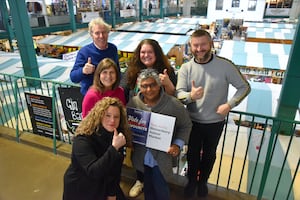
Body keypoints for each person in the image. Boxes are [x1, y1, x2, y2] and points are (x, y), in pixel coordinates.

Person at [176, 29, 251, 198]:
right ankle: (191, 182)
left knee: (209, 154)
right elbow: (179, 93)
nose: (199, 48)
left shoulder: (225, 65)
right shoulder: (186, 68)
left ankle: (202, 182)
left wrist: (229, 105)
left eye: (203, 44)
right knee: (192, 154)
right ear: (190, 46)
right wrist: (190, 96)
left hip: (215, 122)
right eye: (196, 45)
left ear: (210, 44)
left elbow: (245, 87)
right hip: (193, 121)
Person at [120, 39, 177, 198]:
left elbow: (174, 97)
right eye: (143, 52)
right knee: (138, 152)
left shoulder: (167, 72)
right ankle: (140, 180)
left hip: (160, 124)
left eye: (149, 52)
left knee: (158, 157)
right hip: (138, 121)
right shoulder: (131, 72)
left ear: (156, 54)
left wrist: (168, 84)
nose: (146, 55)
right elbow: (122, 91)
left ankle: (158, 181)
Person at [127, 69, 192, 200]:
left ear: (159, 85)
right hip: (142, 156)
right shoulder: (134, 103)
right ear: (139, 86)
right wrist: (129, 139)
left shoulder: (174, 104)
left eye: (153, 85)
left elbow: (186, 125)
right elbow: (128, 125)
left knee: (161, 191)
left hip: (162, 158)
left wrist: (177, 145)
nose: (149, 89)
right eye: (144, 86)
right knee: (148, 191)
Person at [63, 97, 131, 200]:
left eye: (116, 117)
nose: (112, 120)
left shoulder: (117, 137)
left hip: (103, 182)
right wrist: (114, 148)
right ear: (99, 115)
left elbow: (115, 169)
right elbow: (93, 172)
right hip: (81, 187)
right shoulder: (82, 139)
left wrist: (112, 193)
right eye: (108, 115)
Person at [70, 17, 120, 96]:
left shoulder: (113, 49)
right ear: (91, 35)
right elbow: (73, 77)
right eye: (97, 33)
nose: (101, 36)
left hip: (110, 94)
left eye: (104, 32)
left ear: (108, 33)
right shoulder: (84, 52)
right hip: (92, 97)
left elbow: (117, 71)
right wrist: (83, 71)